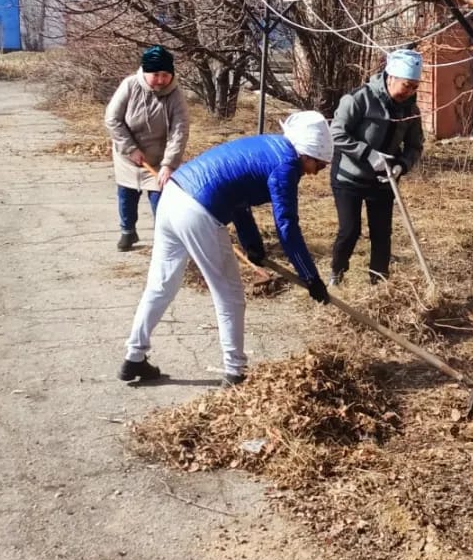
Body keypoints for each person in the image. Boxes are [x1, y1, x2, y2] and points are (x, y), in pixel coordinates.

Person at [118, 110, 333, 387]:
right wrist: (310, 277)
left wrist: (252, 244)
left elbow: (239, 197)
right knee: (230, 295)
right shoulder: (286, 165)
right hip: (198, 210)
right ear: (307, 154)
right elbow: (287, 227)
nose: (316, 172)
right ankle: (235, 372)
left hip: (173, 195)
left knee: (161, 285)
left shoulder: (268, 146)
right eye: (319, 165)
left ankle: (134, 356)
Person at [329, 48, 425, 284]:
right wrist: (368, 154)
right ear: (390, 77)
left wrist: (402, 165)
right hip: (349, 177)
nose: (410, 92)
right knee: (350, 231)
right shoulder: (359, 99)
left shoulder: (410, 111)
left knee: (382, 234)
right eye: (406, 85)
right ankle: (336, 274)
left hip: (384, 180)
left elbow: (415, 146)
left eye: (415, 87)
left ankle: (379, 283)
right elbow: (336, 134)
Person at [104, 45, 190, 251]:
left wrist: (169, 164)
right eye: (156, 75)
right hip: (128, 154)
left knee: (160, 198)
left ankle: (163, 238)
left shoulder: (176, 95)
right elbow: (112, 119)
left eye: (165, 75)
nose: (161, 80)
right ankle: (128, 231)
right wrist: (130, 148)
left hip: (159, 157)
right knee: (127, 194)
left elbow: (179, 131)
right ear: (145, 71)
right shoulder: (130, 85)